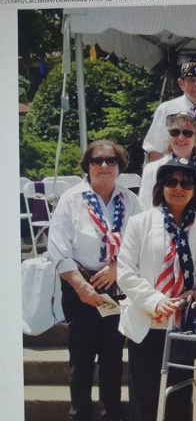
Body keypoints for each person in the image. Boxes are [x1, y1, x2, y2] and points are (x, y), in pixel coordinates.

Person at [47, 140, 141, 421]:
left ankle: (112, 413)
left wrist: (116, 267)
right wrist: (81, 286)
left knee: (112, 358)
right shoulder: (71, 199)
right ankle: (80, 414)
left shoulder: (130, 200)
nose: (103, 166)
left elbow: (138, 243)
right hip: (80, 288)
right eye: (97, 160)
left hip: (116, 287)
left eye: (110, 161)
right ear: (87, 165)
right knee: (81, 359)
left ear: (119, 167)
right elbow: (58, 247)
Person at [117, 157, 196, 421]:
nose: (178, 187)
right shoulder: (140, 223)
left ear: (195, 189)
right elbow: (125, 271)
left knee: (179, 396)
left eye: (186, 182)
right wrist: (155, 300)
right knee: (145, 397)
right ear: (161, 187)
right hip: (147, 322)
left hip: (183, 322)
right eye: (171, 181)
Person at [139, 111, 196, 216]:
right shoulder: (151, 169)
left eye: (187, 133)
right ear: (169, 136)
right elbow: (143, 209)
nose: (180, 138)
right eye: (175, 132)